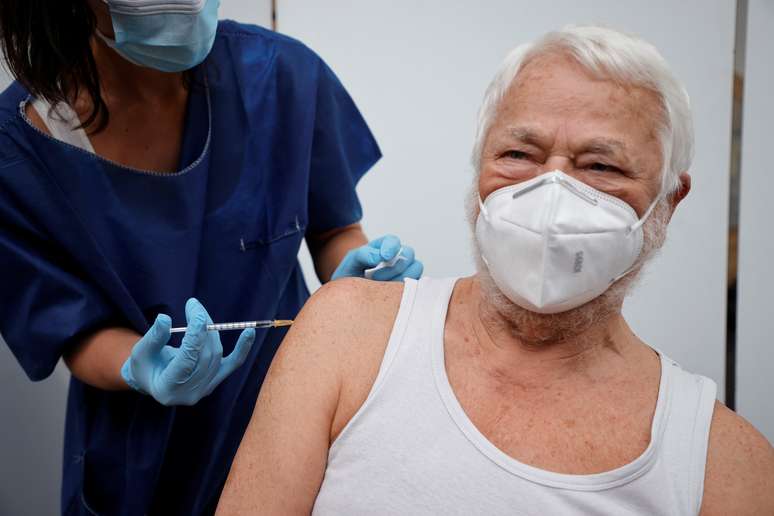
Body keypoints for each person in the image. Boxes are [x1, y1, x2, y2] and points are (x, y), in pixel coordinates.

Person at [218, 25, 774, 515]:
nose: (552, 195)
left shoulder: (722, 463)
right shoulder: (346, 334)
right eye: (518, 155)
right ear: (479, 167)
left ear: (669, 201)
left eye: (600, 165)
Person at [0, 0, 423, 514]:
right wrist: (141, 366)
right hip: (142, 457)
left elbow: (335, 229)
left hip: (290, 416)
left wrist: (359, 276)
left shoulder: (281, 76)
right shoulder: (16, 149)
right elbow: (70, 329)